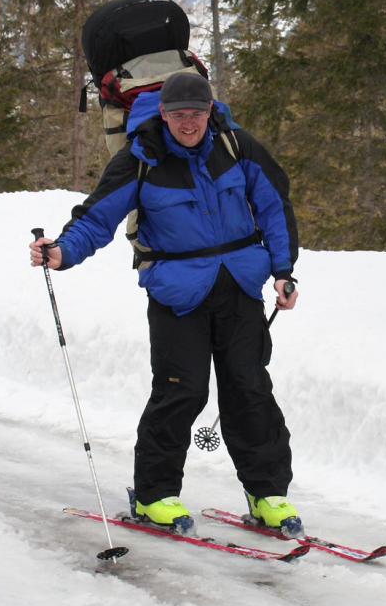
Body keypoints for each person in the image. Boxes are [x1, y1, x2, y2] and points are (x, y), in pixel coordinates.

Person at [29, 72, 302, 536]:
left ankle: (267, 494)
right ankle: (155, 496)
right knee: (183, 391)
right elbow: (98, 217)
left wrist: (283, 270)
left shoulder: (236, 147)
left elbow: (275, 206)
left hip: (238, 286)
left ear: (210, 110)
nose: (188, 123)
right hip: (177, 296)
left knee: (248, 388)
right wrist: (62, 251)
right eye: (178, 114)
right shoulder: (142, 158)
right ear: (163, 114)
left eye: (196, 113)